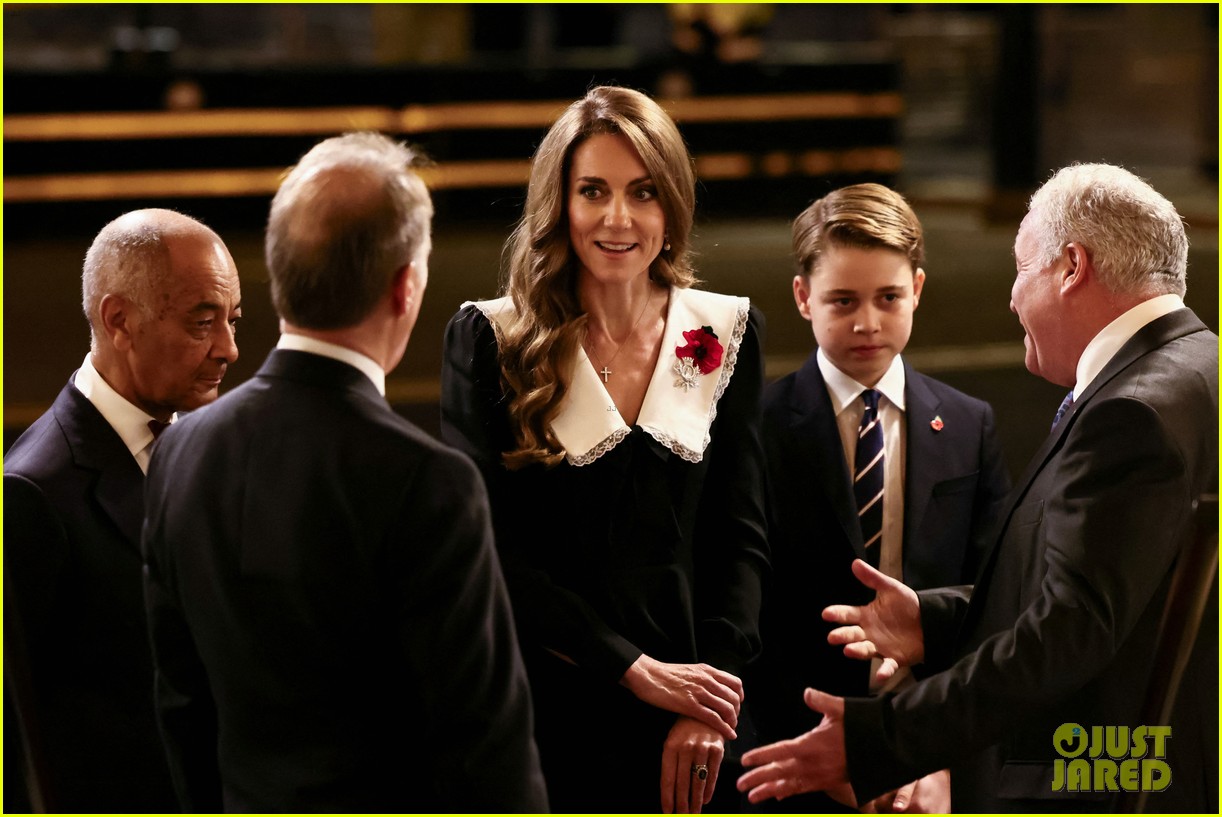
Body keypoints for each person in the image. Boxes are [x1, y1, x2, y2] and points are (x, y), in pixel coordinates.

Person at [737, 163, 1218, 812]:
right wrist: (935, 619)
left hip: (1105, 779)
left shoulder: (1127, 411)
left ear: (1071, 267)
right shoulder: (1200, 364)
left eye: (1022, 269)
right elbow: (1099, 590)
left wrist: (884, 740)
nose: (1013, 297)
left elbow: (1067, 631)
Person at [141, 132, 548, 812]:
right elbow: (487, 750)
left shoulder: (181, 451)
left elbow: (181, 709)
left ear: (279, 271)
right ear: (405, 286)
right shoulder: (428, 481)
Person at [441, 85, 769, 813]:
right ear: (559, 203)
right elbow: (490, 553)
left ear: (672, 205)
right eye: (593, 191)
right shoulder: (491, 339)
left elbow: (740, 541)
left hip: (696, 720)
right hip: (550, 710)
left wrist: (706, 696)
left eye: (643, 192)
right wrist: (634, 669)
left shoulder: (720, 332)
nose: (619, 218)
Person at [747, 183, 1010, 813]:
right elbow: (744, 605)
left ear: (917, 290)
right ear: (802, 298)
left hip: (929, 740)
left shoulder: (969, 425)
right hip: (796, 738)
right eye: (842, 300)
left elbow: (994, 593)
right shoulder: (756, 429)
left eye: (888, 297)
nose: (867, 322)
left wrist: (945, 751)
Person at [3, 208, 241, 811]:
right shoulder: (29, 492)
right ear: (119, 320)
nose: (229, 350)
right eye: (202, 322)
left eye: (233, 321)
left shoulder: (216, 445)